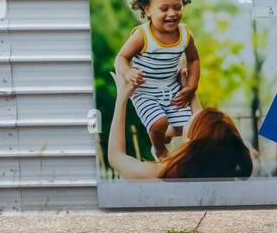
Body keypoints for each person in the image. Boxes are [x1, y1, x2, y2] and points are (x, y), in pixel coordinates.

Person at [115, 0, 202, 160]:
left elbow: (194, 59)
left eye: (177, 7)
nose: (172, 13)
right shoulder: (142, 35)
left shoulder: (185, 35)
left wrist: (191, 87)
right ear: (148, 9)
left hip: (171, 88)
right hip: (144, 90)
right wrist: (128, 73)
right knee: (159, 123)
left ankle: (164, 135)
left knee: (183, 127)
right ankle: (160, 149)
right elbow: (121, 57)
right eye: (164, 8)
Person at [107, 71, 252, 180]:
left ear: (192, 142)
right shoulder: (224, 172)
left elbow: (116, 157)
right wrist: (188, 89)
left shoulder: (165, 173)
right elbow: (206, 133)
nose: (191, 114)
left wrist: (121, 98)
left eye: (192, 119)